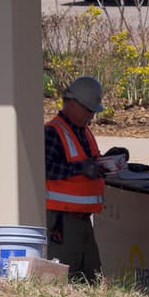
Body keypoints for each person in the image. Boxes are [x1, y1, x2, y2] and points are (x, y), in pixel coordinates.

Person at [45, 75, 107, 283]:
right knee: (63, 281)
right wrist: (81, 168)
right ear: (71, 103)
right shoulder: (52, 132)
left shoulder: (83, 131)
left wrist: (107, 161)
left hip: (82, 221)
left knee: (92, 280)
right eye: (88, 110)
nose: (90, 116)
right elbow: (45, 168)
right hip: (62, 221)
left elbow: (88, 162)